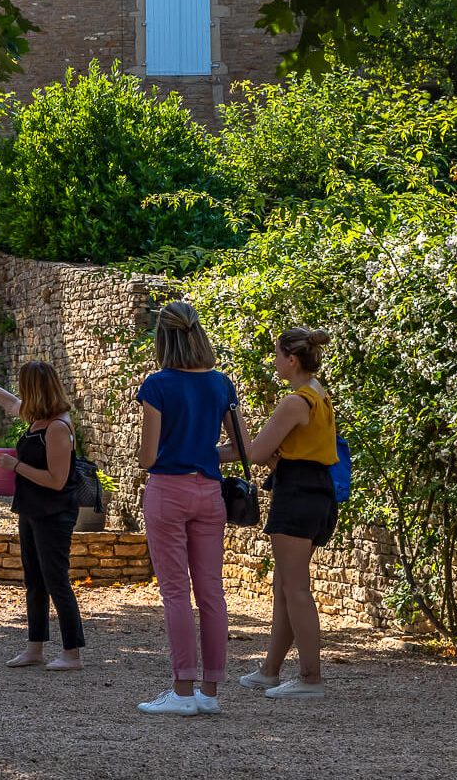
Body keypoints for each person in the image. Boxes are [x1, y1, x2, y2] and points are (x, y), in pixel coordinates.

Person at [134, 300, 247, 717]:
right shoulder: (221, 384)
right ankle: (210, 691)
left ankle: (181, 691)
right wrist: (204, 451)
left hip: (168, 490)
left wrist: (174, 449)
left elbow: (148, 457)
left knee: (175, 592)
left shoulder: (157, 385)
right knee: (212, 592)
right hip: (210, 493)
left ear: (163, 337)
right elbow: (241, 449)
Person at [228, 327, 339, 701]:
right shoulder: (319, 394)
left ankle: (310, 678)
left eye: (277, 355)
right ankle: (270, 671)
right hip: (316, 490)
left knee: (295, 589)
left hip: (297, 493)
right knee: (284, 587)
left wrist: (204, 452)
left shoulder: (295, 401)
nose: (274, 361)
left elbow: (256, 453)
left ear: (292, 360)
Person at [0, 361, 86, 670]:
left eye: (24, 386)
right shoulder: (37, 419)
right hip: (31, 510)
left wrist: (15, 466)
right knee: (35, 581)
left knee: (56, 581)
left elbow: (56, 480)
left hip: (54, 514)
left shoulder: (57, 427)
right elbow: (9, 402)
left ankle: (72, 653)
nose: (20, 395)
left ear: (36, 389)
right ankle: (35, 648)